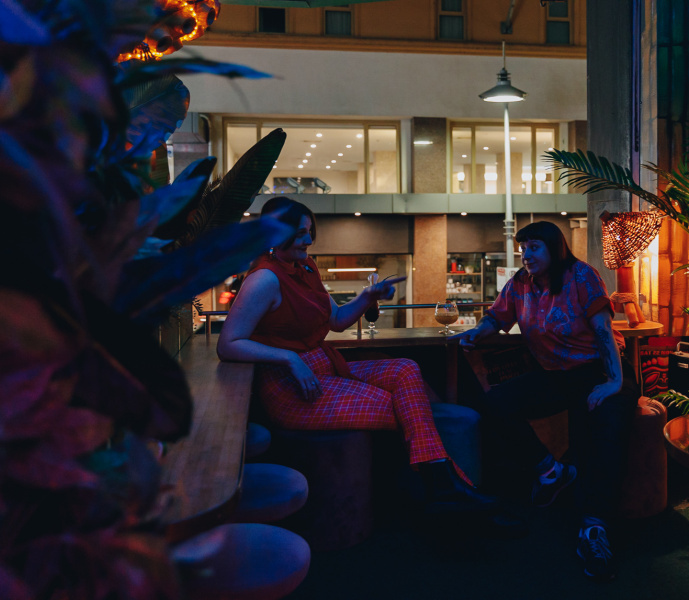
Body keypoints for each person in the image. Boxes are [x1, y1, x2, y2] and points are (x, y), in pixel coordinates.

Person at [217, 196, 501, 517]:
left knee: (406, 369)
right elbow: (228, 343)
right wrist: (289, 358)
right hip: (291, 387)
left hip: (323, 367)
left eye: (310, 232)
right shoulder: (264, 279)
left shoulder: (306, 267)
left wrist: (368, 296)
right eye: (299, 234)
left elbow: (337, 320)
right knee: (409, 409)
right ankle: (454, 489)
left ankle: (446, 491)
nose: (308, 240)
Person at [456, 221, 639, 580]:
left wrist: (613, 382)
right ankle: (551, 472)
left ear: (554, 248)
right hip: (557, 375)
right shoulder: (520, 284)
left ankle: (594, 527)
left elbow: (603, 329)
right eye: (523, 248)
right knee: (496, 403)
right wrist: (476, 333)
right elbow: (497, 317)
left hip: (601, 370)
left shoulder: (581, 276)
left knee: (598, 433)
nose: (526, 254)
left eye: (534, 247)